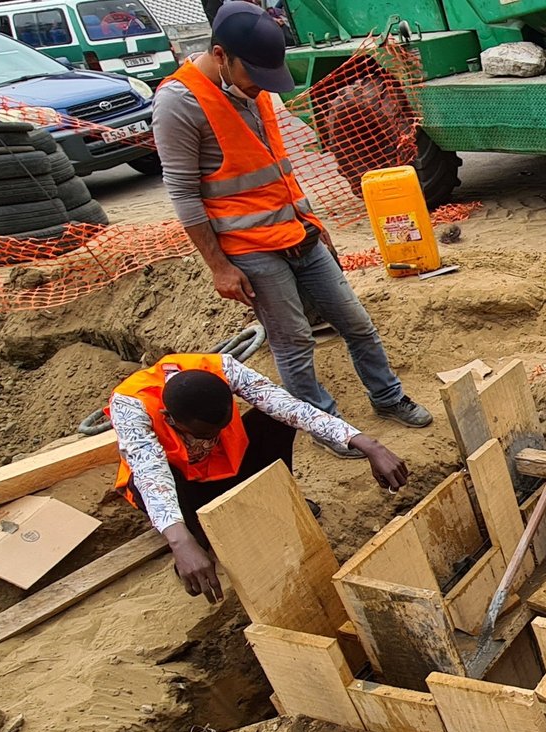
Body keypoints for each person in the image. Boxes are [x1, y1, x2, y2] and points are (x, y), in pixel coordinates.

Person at [153, 2, 433, 453]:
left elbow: (277, 169)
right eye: (254, 75)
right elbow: (184, 195)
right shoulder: (179, 103)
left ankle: (387, 397)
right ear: (222, 55)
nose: (263, 85)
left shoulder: (254, 87)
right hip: (250, 249)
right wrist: (219, 267)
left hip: (297, 232)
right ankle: (326, 427)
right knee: (294, 342)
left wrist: (312, 220)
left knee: (356, 323)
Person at [109, 354, 411, 603]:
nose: (212, 439)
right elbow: (151, 472)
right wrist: (180, 541)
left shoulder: (222, 368)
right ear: (170, 417)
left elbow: (291, 408)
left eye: (219, 428)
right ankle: (197, 539)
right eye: (203, 434)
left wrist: (367, 443)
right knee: (158, 492)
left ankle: (276, 497)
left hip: (228, 467)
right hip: (181, 487)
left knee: (274, 420)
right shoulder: (131, 405)